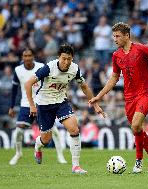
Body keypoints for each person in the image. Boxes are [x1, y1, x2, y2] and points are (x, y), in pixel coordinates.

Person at [89, 22, 148, 173]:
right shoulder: (116, 55)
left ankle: (138, 162)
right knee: (137, 128)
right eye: (113, 36)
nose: (115, 39)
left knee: (135, 125)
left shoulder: (141, 49)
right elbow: (113, 78)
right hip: (129, 97)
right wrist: (99, 96)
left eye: (118, 36)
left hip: (146, 93)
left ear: (127, 36)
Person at [25, 44, 105, 174]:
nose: (66, 62)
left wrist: (95, 104)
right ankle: (38, 147)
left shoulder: (74, 69)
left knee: (74, 128)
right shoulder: (48, 68)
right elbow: (28, 83)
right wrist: (32, 105)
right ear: (58, 57)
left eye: (69, 59)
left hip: (61, 102)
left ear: (72, 58)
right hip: (44, 104)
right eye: (63, 58)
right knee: (46, 139)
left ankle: (76, 166)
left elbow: (84, 86)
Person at [8, 49, 67, 165]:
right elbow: (14, 89)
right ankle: (18, 153)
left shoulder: (41, 67)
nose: (28, 58)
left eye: (30, 55)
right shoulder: (18, 70)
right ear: (22, 57)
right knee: (19, 130)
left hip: (42, 102)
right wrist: (11, 106)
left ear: (33, 56)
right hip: (26, 104)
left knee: (53, 130)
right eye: (25, 55)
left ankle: (60, 156)